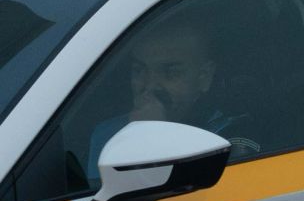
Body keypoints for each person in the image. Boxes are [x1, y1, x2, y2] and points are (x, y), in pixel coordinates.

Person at [87, 15, 261, 171]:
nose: (150, 85)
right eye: (140, 70)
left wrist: (152, 137)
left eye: (170, 72)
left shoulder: (231, 137)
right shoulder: (107, 133)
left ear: (204, 77)